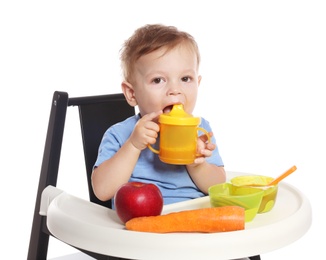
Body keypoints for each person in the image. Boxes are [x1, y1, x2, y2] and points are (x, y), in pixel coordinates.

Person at [91, 24, 226, 206]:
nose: (175, 90)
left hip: (194, 220)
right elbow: (102, 191)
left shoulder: (200, 130)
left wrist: (197, 164)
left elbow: (219, 187)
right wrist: (133, 145)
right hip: (140, 221)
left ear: (198, 83)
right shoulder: (120, 134)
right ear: (132, 94)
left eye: (185, 79)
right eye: (158, 80)